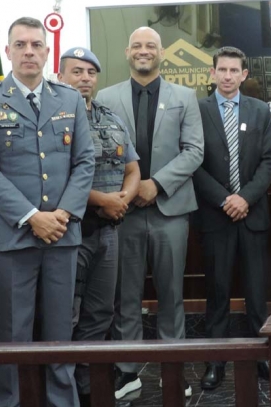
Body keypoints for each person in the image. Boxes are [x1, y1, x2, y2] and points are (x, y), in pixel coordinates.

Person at [0, 17, 94, 407]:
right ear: (8, 52)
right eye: (20, 45)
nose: (29, 52)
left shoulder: (68, 99)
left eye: (36, 45)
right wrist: (33, 217)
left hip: (62, 236)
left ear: (47, 50)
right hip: (12, 237)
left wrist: (63, 214)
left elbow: (84, 161)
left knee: (60, 339)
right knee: (11, 342)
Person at [96, 26, 204, 399]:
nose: (144, 51)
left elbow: (194, 150)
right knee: (125, 295)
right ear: (127, 53)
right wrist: (129, 192)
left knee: (171, 292)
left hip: (169, 208)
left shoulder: (185, 96)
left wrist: (154, 184)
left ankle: (173, 367)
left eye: (151, 46)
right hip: (121, 209)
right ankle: (127, 372)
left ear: (161, 54)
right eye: (138, 46)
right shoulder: (105, 97)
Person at [57, 47, 141, 407]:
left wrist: (123, 198)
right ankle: (62, 391)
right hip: (73, 231)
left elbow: (133, 167)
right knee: (67, 315)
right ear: (61, 76)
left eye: (90, 72)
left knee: (100, 312)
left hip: (111, 230)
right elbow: (57, 179)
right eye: (76, 72)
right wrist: (103, 201)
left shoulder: (111, 118)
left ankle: (87, 388)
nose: (85, 78)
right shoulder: (54, 120)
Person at [193, 47, 271, 390]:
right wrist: (226, 199)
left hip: (252, 214)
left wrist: (245, 198)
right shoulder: (197, 110)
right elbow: (193, 162)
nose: (227, 76)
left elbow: (269, 161)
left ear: (244, 75)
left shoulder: (259, 110)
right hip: (216, 216)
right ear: (212, 73)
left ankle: (264, 357)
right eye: (221, 70)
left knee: (257, 293)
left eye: (234, 70)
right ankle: (215, 361)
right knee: (217, 292)